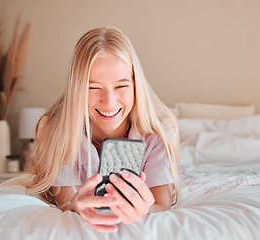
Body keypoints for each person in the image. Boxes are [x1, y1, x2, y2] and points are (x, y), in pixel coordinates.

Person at [26, 27, 179, 233]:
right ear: (77, 88)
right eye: (92, 87)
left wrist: (144, 209)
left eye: (121, 86)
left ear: (135, 85)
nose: (108, 102)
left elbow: (162, 206)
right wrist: (75, 206)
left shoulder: (159, 129)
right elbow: (67, 202)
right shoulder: (54, 129)